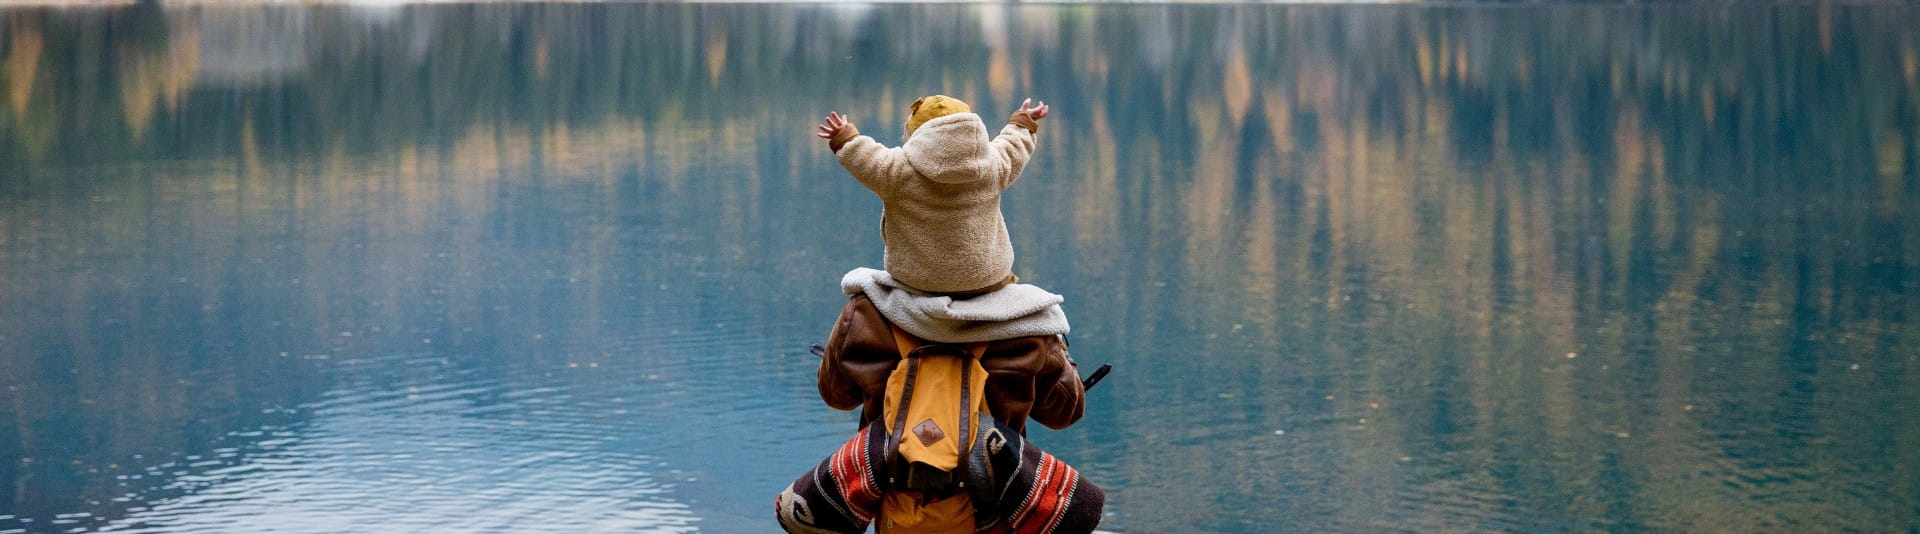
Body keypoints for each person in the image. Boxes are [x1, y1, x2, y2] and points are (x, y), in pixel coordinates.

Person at [815, 95, 1050, 297]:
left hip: (918, 282)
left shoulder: (896, 171)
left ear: (915, 134)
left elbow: (864, 156)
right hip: (987, 279)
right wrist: (1023, 121)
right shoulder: (993, 165)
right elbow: (1013, 146)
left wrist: (844, 135)